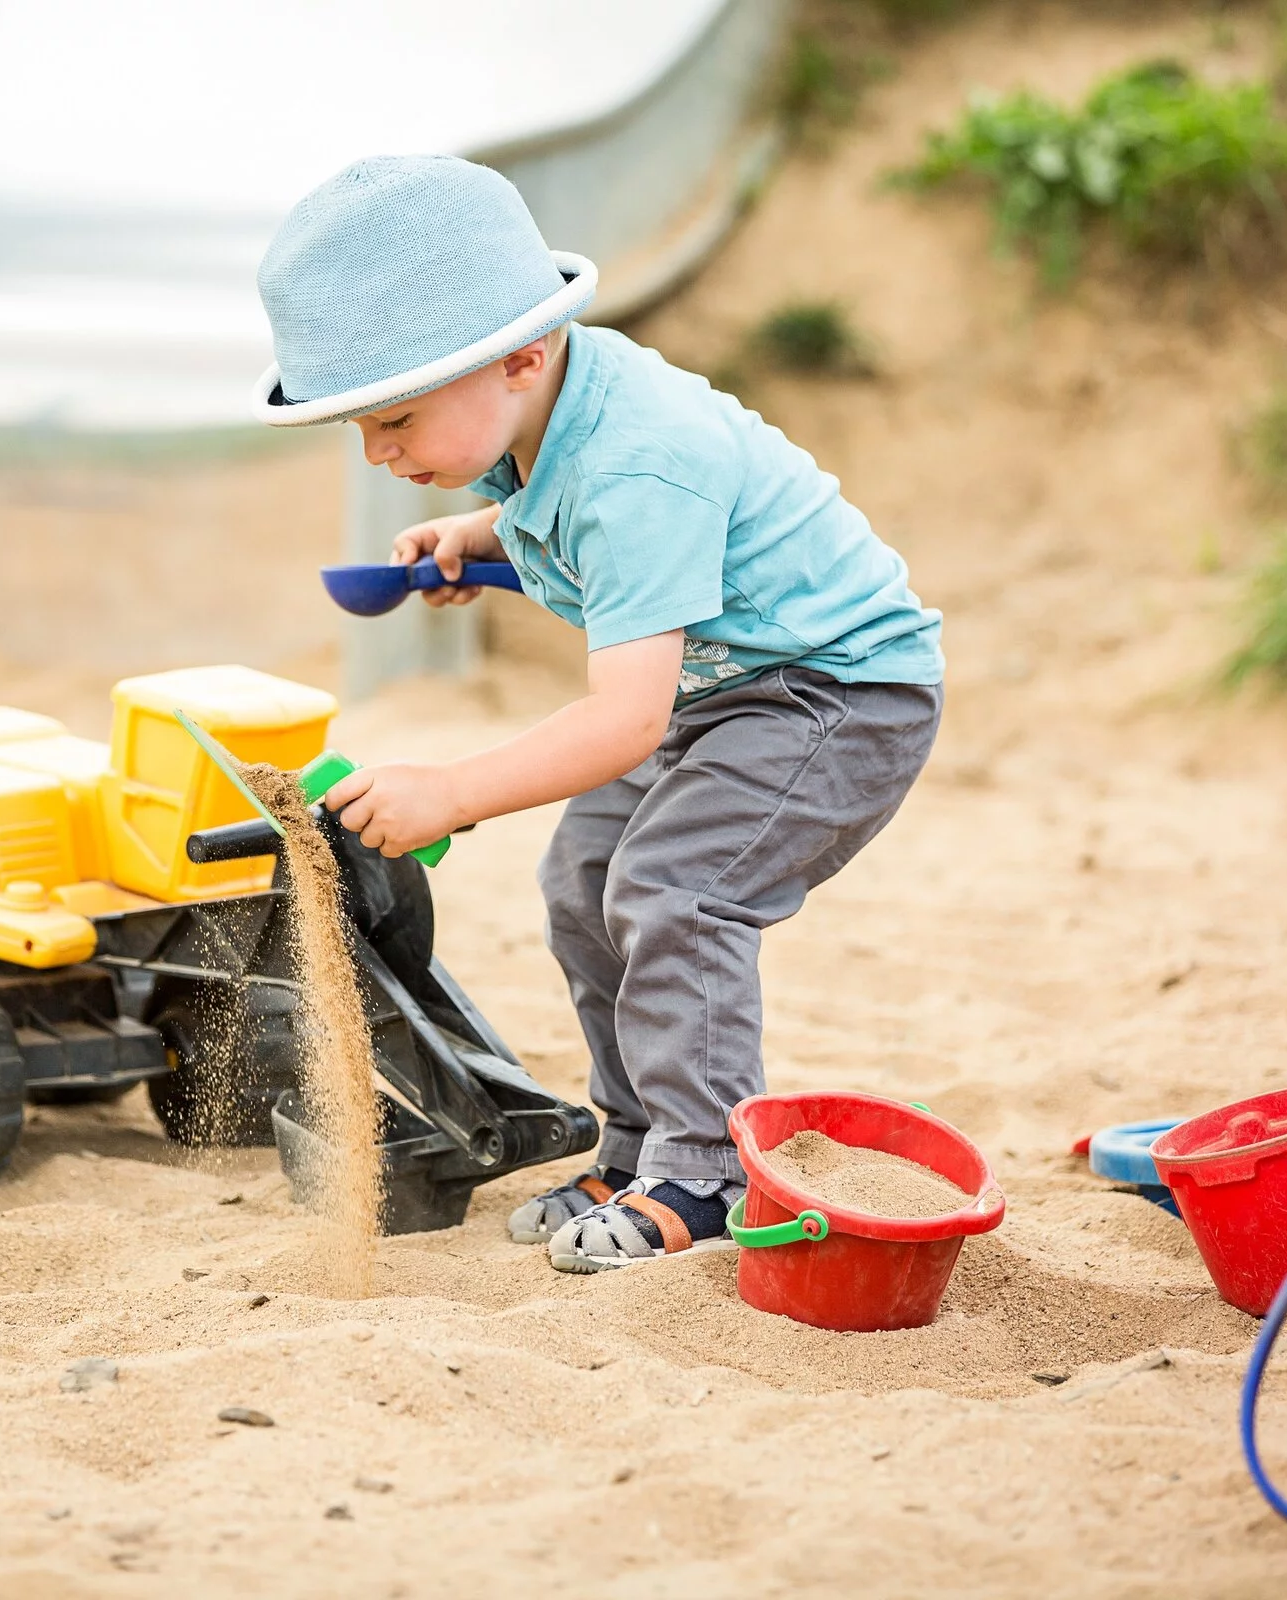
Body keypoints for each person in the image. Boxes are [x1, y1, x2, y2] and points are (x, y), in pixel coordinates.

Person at [253, 155, 943, 1272]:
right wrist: (478, 542)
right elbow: (552, 504)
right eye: (364, 429)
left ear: (519, 354)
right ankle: (638, 1145)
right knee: (585, 881)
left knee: (678, 886)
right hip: (727, 687)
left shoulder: (639, 466)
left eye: (396, 420)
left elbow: (623, 720)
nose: (379, 454)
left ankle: (711, 1178)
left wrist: (452, 787)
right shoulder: (550, 410)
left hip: (838, 690)